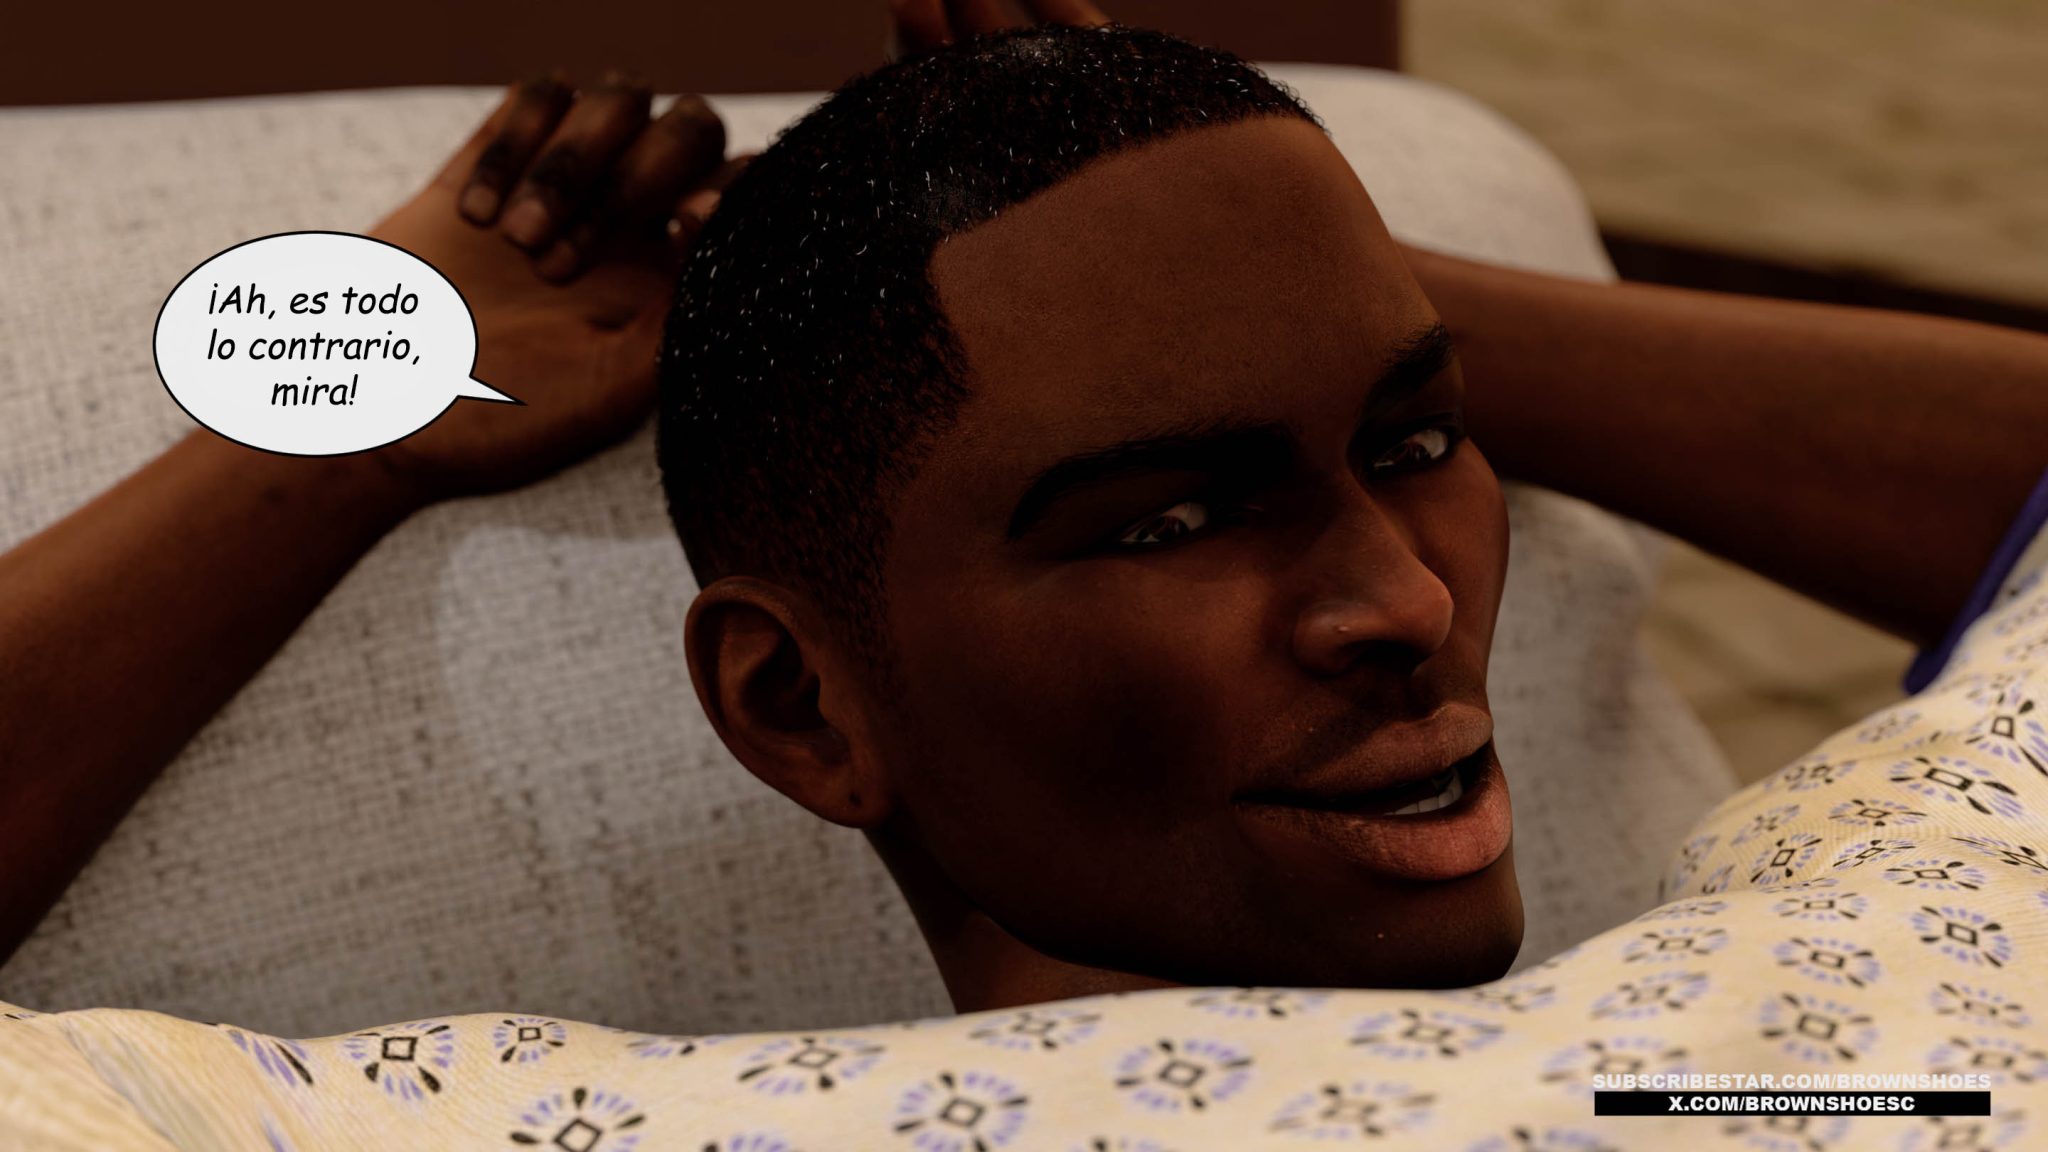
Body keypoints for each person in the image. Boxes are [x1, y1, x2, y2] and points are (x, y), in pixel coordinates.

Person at [3, 6, 2047, 1149]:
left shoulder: (1848, 986)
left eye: (1416, 446)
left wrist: (1256, 254)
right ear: (799, 708)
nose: (1407, 608)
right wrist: (336, 434)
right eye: (1165, 522)